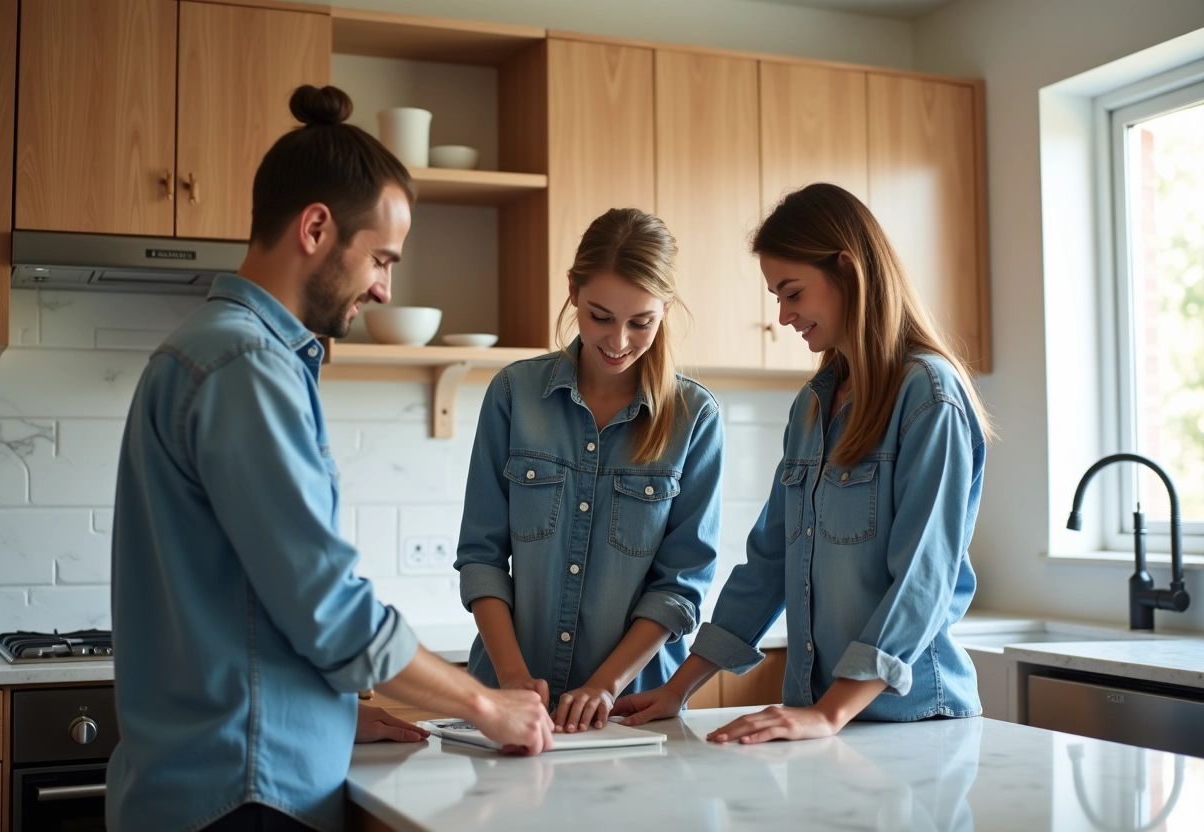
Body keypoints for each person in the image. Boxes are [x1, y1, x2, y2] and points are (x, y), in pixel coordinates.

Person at [107, 85, 553, 832]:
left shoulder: (223, 352)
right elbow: (327, 606)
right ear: (316, 227)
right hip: (243, 794)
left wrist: (333, 713)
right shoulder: (246, 366)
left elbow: (247, 602)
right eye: (381, 257)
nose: (383, 286)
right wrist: (485, 704)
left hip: (231, 776)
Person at [613, 183, 992, 742]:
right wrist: (679, 688)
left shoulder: (929, 395)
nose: (785, 316)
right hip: (824, 722)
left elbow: (923, 580)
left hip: (913, 724)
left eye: (792, 292)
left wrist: (829, 712)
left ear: (847, 270)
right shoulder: (814, 404)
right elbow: (768, 564)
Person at [455, 208, 724, 734]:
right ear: (573, 291)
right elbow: (481, 557)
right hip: (508, 704)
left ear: (666, 309)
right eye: (600, 316)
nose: (618, 341)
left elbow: (681, 585)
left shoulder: (695, 418)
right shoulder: (513, 394)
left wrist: (605, 685)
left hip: (634, 711)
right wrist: (512, 677)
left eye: (641, 322)